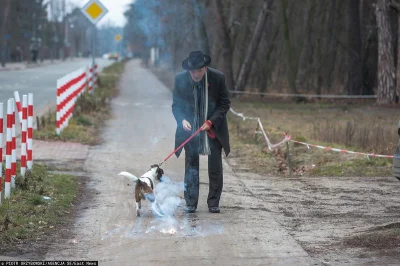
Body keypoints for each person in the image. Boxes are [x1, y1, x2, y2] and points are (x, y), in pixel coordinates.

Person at [172, 51, 231, 214]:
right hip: (190, 128)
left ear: (205, 68)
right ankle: (190, 202)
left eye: (198, 71)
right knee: (191, 165)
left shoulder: (218, 78)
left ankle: (213, 202)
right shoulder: (180, 79)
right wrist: (181, 120)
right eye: (192, 71)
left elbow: (225, 103)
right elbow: (176, 105)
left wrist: (211, 121)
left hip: (212, 126)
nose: (195, 74)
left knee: (215, 167)